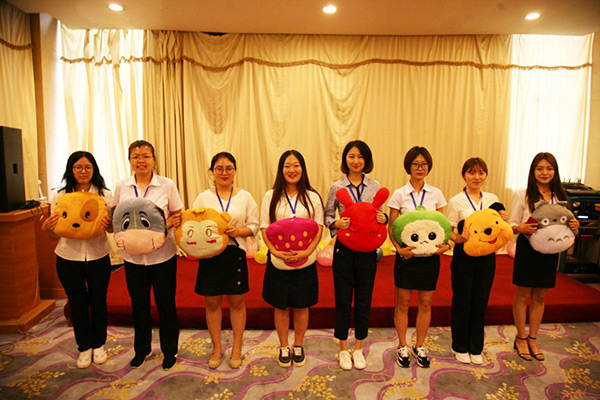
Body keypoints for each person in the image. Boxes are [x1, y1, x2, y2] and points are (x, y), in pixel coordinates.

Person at [112, 140, 183, 370]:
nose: (141, 161)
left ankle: (170, 350)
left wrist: (166, 225)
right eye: (136, 156)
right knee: (139, 305)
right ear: (129, 160)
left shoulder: (166, 185)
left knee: (166, 304)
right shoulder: (122, 186)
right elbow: (116, 217)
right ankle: (141, 349)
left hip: (163, 256)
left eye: (146, 156)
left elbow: (177, 214)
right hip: (133, 259)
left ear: (154, 159)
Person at [41, 151, 113, 369]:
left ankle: (99, 344)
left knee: (99, 301)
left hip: (98, 255)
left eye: (87, 167)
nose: (83, 171)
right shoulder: (60, 195)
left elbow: (111, 228)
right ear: (71, 170)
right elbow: (54, 231)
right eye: (78, 167)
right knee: (77, 302)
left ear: (94, 170)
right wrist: (46, 227)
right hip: (68, 256)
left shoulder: (104, 195)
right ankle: (84, 346)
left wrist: (110, 225)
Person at [192, 152, 259, 369]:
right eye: (219, 168)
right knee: (212, 303)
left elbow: (255, 226)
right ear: (212, 172)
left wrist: (238, 231)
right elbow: (193, 224)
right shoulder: (203, 198)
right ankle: (217, 348)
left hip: (234, 253)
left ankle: (237, 348)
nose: (224, 173)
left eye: (229, 168)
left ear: (235, 171)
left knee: (237, 303)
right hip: (210, 255)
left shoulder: (245, 197)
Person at [509, 152, 579, 362]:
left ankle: (533, 338)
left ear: (555, 171)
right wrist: (520, 228)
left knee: (540, 296)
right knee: (523, 295)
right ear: (533, 171)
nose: (544, 172)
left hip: (550, 250)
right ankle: (520, 337)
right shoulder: (523, 195)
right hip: (527, 248)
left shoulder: (560, 196)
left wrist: (575, 224)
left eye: (549, 168)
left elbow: (568, 222)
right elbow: (512, 224)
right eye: (540, 168)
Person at [324, 140, 387, 370]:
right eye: (351, 156)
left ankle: (358, 347)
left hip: (368, 251)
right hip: (344, 249)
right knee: (342, 298)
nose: (356, 160)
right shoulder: (337, 187)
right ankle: (343, 347)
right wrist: (336, 223)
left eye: (360, 156)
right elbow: (327, 215)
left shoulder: (374, 186)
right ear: (345, 160)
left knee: (363, 299)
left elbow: (380, 215)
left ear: (366, 160)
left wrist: (384, 219)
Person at [260, 150, 324, 368]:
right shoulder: (270, 196)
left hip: (305, 260)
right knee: (281, 306)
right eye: (287, 166)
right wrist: (274, 252)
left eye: (296, 165)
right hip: (278, 261)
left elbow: (319, 228)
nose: (292, 170)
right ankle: (283, 346)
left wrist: (307, 252)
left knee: (302, 306)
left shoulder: (312, 197)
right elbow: (265, 227)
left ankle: (298, 345)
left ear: (302, 169)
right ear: (281, 170)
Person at [387, 146, 449, 368]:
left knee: (425, 303)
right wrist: (398, 249)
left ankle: (420, 345)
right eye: (415, 164)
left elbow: (443, 227)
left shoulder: (436, 194)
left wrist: (445, 246)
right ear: (408, 167)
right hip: (407, 257)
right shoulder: (399, 194)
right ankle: (403, 345)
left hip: (430, 259)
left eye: (424, 164)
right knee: (403, 303)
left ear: (428, 167)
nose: (420, 168)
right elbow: (392, 226)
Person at [446, 157, 509, 365]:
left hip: (487, 257)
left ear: (486, 175)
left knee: (480, 301)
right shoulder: (456, 201)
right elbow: (449, 231)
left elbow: (499, 227)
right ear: (464, 175)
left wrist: (504, 220)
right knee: (462, 300)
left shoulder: (492, 199)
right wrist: (458, 238)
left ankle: (476, 347)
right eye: (472, 172)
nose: (476, 177)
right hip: (464, 256)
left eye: (481, 173)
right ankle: (459, 346)